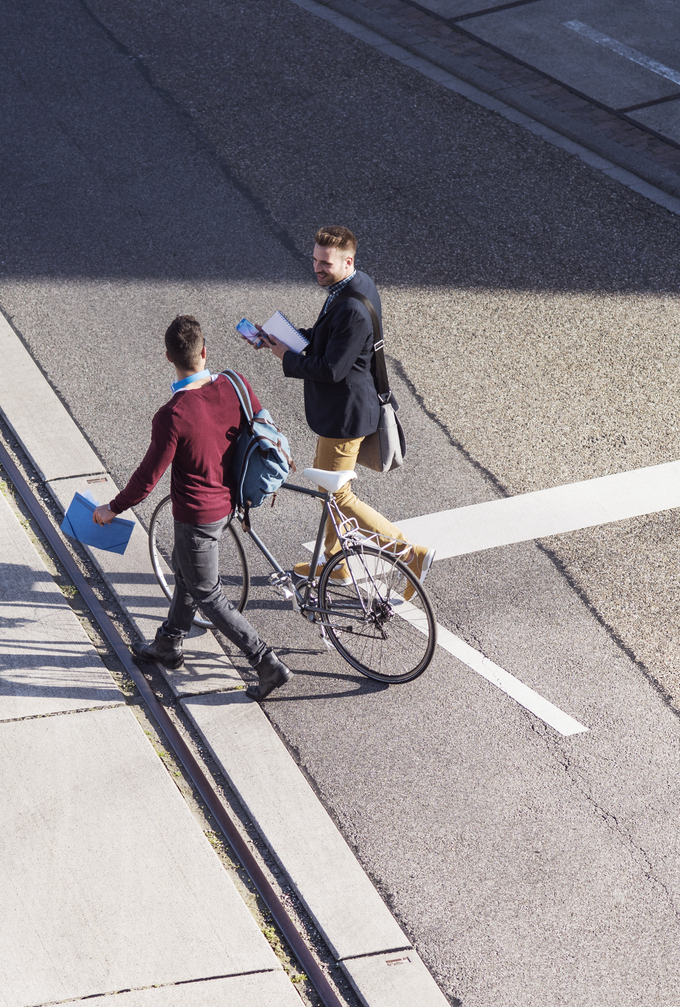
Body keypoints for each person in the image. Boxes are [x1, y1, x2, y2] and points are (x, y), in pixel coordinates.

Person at [94, 315, 291, 700]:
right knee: (185, 571)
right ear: (204, 351)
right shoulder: (236, 384)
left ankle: (266, 662)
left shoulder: (173, 415)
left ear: (169, 357)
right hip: (231, 502)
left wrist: (112, 509)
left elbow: (147, 478)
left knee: (209, 593)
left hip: (197, 514)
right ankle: (169, 643)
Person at [257, 224, 431, 585]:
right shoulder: (352, 284)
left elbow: (332, 369)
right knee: (329, 493)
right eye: (315, 260)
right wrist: (289, 337)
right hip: (338, 413)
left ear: (347, 260)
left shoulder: (351, 307)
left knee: (337, 496)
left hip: (344, 417)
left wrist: (286, 356)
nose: (317, 268)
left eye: (326, 263)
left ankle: (409, 554)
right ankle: (337, 565)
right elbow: (330, 339)